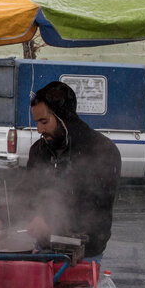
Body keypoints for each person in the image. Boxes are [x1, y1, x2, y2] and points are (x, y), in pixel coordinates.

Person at [23, 81, 121, 262]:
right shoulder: (38, 150)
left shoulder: (102, 150)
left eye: (44, 122)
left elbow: (96, 205)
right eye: (37, 122)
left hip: (85, 255)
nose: (39, 130)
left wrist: (51, 223)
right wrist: (1, 218)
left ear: (63, 117)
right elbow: (28, 191)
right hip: (44, 249)